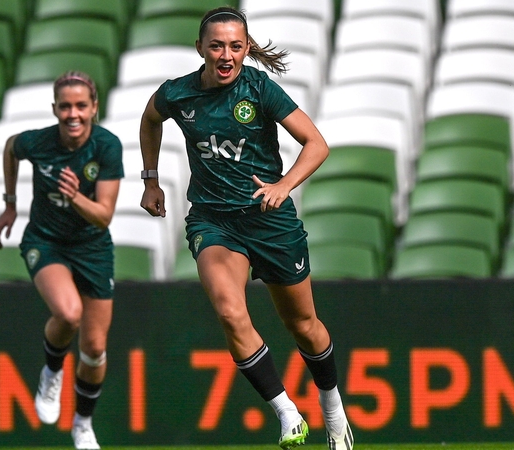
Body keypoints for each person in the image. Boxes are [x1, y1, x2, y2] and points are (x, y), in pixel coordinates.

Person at [139, 7, 353, 450]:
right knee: (230, 312)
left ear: (247, 48)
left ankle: (333, 409)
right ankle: (288, 414)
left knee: (303, 324)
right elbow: (150, 118)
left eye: (236, 46)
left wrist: (284, 185)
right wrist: (151, 180)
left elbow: (317, 144)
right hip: (214, 221)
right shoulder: (177, 93)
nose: (226, 55)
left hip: (269, 221)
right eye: (217, 45)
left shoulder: (259, 89)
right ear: (200, 48)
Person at [0, 71, 123, 450]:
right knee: (68, 314)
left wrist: (75, 197)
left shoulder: (106, 146)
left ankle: (82, 424)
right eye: (65, 106)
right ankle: (52, 372)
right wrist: (10, 203)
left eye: (81, 106)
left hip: (92, 247)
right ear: (55, 109)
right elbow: (10, 148)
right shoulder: (38, 142)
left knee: (95, 349)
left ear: (94, 108)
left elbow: (103, 216)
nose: (73, 114)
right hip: (46, 241)